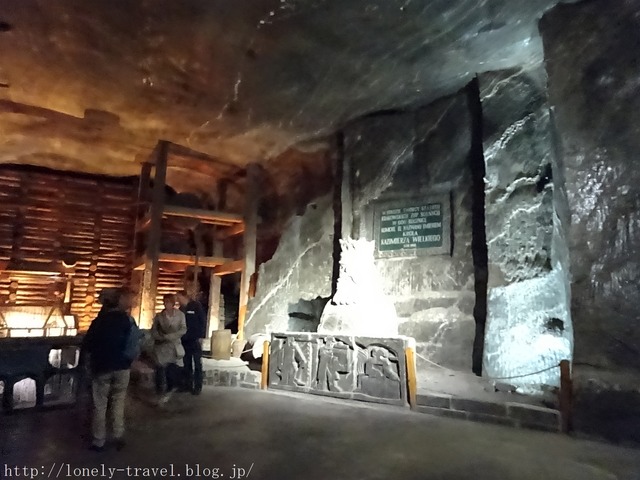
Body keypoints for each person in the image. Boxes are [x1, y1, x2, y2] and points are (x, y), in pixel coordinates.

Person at [82, 287, 136, 452]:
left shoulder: (98, 322)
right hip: (122, 367)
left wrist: (88, 365)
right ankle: (118, 435)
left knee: (100, 404)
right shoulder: (128, 321)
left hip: (102, 366)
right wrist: (130, 360)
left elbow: (88, 345)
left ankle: (99, 440)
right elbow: (133, 344)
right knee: (118, 401)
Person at [150, 294, 187, 404]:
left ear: (173, 303)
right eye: (165, 302)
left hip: (174, 345)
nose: (167, 305)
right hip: (162, 347)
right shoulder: (159, 316)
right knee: (160, 370)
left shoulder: (180, 315)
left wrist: (172, 336)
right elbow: (154, 330)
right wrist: (160, 337)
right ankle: (160, 392)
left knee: (172, 370)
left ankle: (170, 390)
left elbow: (183, 329)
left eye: (169, 302)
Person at [177, 290, 206, 395]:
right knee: (186, 363)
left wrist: (201, 336)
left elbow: (202, 321)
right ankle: (187, 385)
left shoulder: (195, 306)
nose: (177, 300)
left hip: (195, 339)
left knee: (197, 363)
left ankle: (198, 386)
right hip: (185, 340)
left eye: (179, 298)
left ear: (184, 297)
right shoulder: (181, 310)